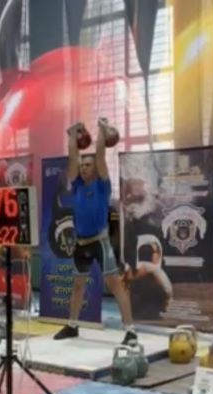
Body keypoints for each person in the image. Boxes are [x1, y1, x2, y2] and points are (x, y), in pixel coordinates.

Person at [53, 122, 137, 344]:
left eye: (88, 165)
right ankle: (72, 325)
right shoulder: (77, 186)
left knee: (115, 285)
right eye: (83, 165)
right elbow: (72, 158)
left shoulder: (102, 185)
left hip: (100, 243)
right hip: (81, 244)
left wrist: (101, 129)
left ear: (96, 168)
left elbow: (100, 155)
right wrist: (72, 135)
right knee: (78, 285)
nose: (84, 168)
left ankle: (130, 330)